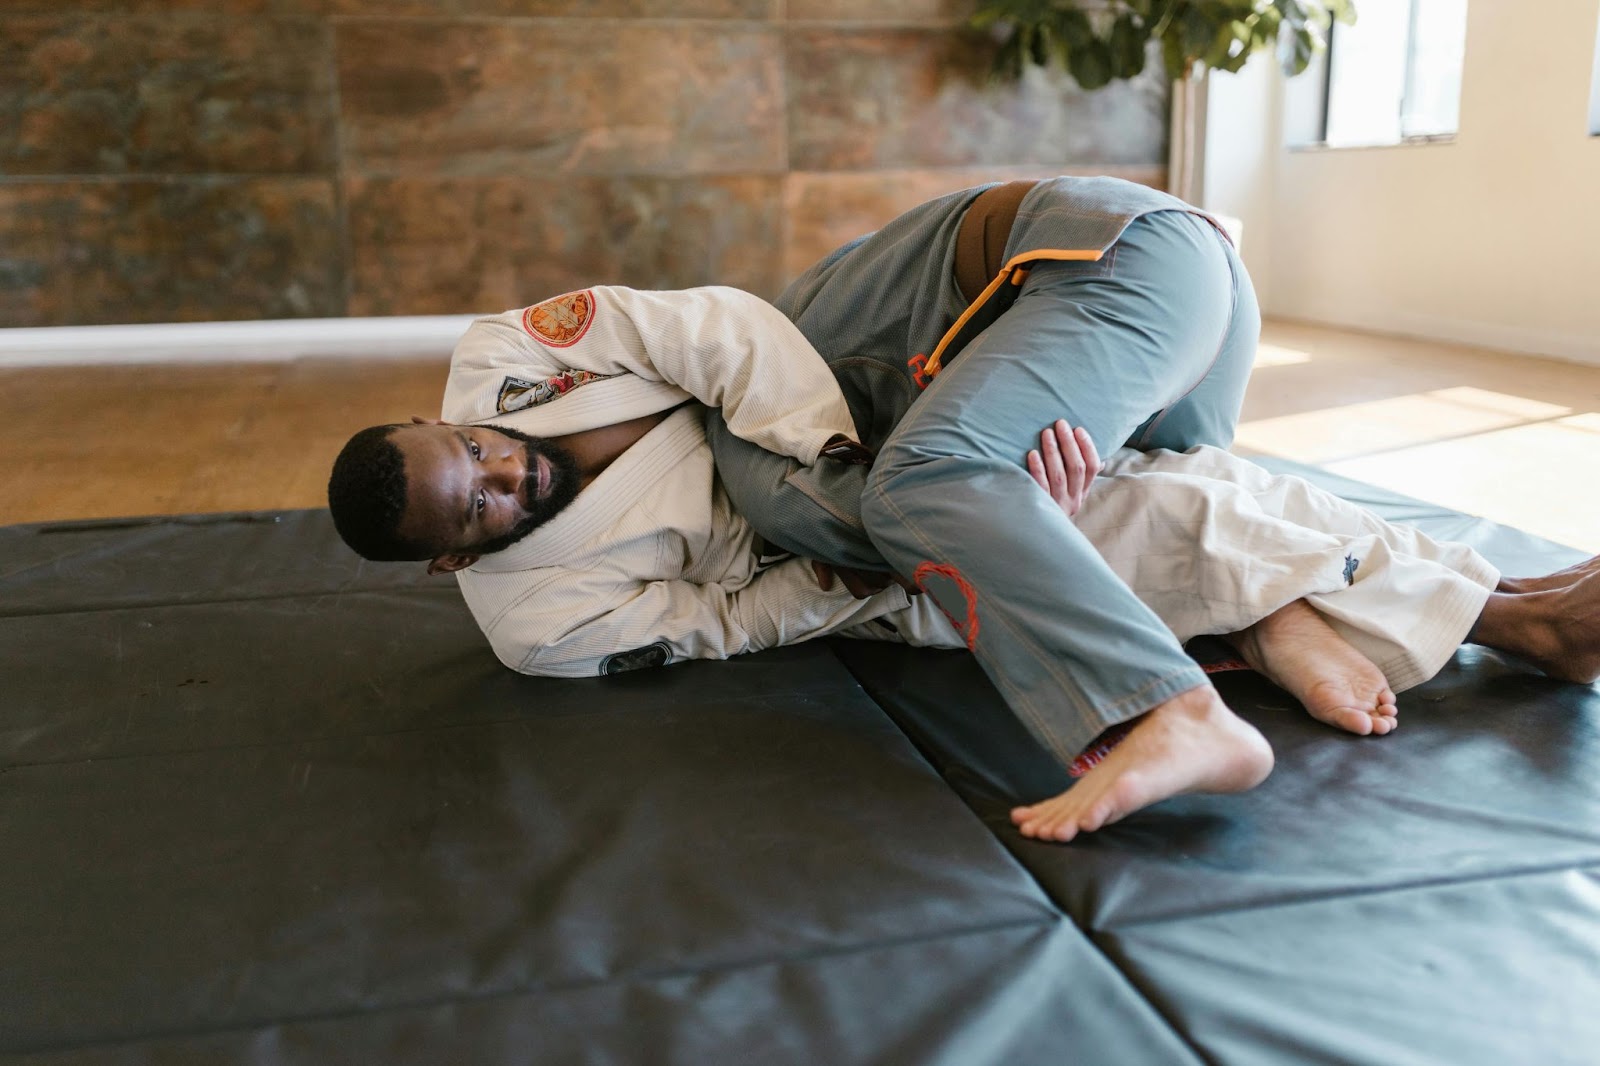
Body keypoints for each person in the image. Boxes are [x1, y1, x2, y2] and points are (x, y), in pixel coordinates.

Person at [326, 176, 1599, 841]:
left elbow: (717, 332)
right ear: (454, 564)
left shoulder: (513, 352)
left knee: (990, 497)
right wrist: (873, 557)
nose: (508, 478)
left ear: (450, 413)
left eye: (480, 456)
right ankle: (1510, 612)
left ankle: (1203, 677)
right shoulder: (537, 624)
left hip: (903, 401)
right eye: (482, 511)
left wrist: (869, 484)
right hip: (855, 519)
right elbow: (716, 619)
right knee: (1134, 499)